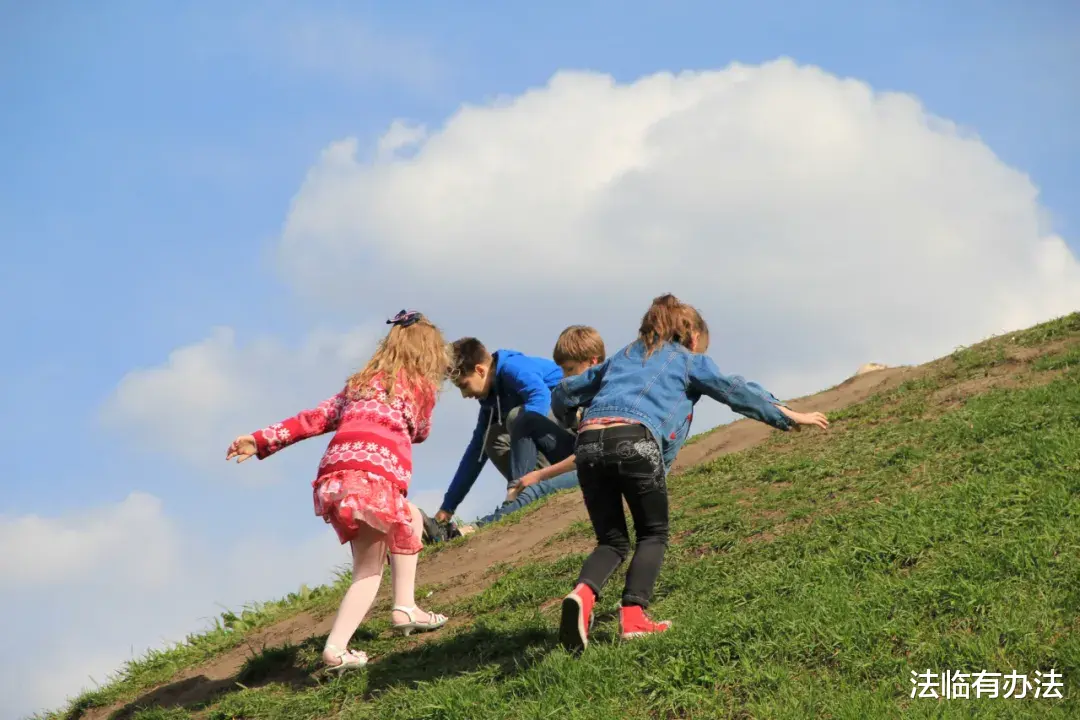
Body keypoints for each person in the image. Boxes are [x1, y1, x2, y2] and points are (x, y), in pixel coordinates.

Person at [550, 295, 829, 652]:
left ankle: (582, 595)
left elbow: (565, 390)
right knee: (652, 532)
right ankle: (634, 618)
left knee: (612, 541)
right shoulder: (687, 360)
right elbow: (734, 390)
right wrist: (786, 414)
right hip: (634, 440)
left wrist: (571, 419)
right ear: (693, 337)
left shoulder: (622, 356)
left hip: (588, 444)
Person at [225, 310, 450, 672]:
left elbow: (313, 419)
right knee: (368, 570)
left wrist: (260, 439)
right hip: (373, 476)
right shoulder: (419, 387)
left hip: (335, 477)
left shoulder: (358, 386)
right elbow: (421, 431)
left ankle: (406, 606)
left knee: (409, 517)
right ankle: (336, 649)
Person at [434, 338, 576, 524]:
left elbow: (541, 399)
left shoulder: (513, 367)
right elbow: (476, 452)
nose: (464, 395)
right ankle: (532, 491)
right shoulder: (491, 402)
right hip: (546, 446)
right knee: (491, 437)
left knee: (517, 417)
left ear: (480, 370)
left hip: (571, 441)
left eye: (464, 385)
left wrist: (513, 485)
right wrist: (447, 507)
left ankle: (518, 494)